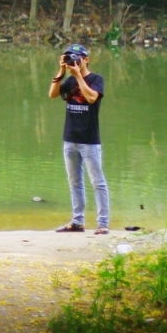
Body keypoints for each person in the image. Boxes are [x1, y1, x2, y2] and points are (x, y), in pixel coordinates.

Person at [48, 44, 110, 235]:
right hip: (70, 139)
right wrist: (61, 70)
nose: (73, 61)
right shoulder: (68, 80)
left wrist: (77, 76)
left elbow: (92, 98)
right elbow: (52, 94)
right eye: (69, 58)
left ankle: (102, 223)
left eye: (77, 58)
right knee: (74, 182)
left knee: (97, 182)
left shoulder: (96, 79)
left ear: (86, 59)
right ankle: (77, 222)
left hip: (89, 140)